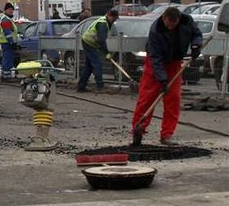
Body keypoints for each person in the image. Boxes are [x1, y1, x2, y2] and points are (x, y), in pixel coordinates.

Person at [131, 7, 202, 146]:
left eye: (173, 25)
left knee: (173, 99)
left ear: (178, 20)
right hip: (155, 64)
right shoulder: (156, 30)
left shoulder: (187, 21)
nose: (170, 28)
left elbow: (196, 34)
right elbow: (155, 58)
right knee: (147, 98)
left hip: (174, 63)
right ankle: (138, 129)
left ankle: (167, 134)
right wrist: (163, 80)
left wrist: (195, 46)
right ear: (163, 18)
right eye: (168, 24)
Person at [77, 9, 119, 92]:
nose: (115, 21)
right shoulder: (103, 24)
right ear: (110, 16)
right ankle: (100, 86)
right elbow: (101, 40)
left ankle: (81, 86)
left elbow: (100, 40)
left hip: (89, 42)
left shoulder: (105, 21)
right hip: (89, 43)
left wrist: (105, 51)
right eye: (115, 18)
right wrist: (106, 53)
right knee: (97, 64)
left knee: (89, 66)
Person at [0, 2, 21, 82]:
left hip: (6, 43)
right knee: (8, 60)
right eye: (9, 9)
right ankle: (6, 76)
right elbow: (8, 33)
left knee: (7, 59)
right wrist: (12, 42)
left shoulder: (7, 19)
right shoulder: (6, 20)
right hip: (7, 43)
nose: (11, 11)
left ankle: (5, 75)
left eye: (12, 9)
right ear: (5, 10)